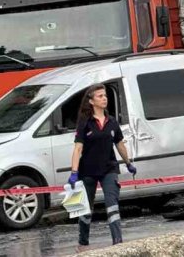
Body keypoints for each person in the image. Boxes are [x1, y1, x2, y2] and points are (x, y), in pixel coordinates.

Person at [69, 84, 136, 252]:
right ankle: (83, 242)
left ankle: (118, 243)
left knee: (112, 204)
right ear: (91, 101)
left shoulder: (112, 121)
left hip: (109, 169)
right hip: (88, 171)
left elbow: (119, 144)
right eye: (100, 96)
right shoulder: (85, 122)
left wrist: (128, 162)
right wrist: (74, 173)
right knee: (85, 210)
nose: (104, 98)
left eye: (105, 95)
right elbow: (78, 148)